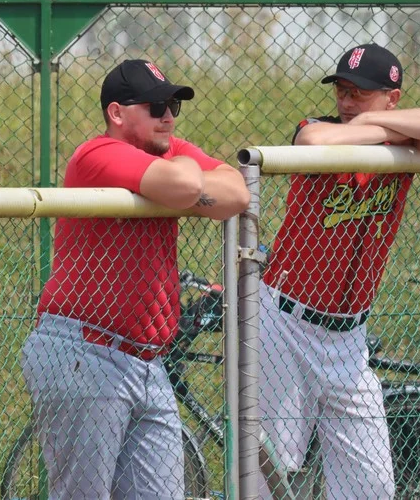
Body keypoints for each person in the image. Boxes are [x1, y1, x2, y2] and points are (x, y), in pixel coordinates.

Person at [21, 59, 250, 499]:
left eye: (173, 106)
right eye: (156, 105)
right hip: (85, 351)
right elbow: (188, 186)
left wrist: (183, 181)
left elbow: (236, 192)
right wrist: (186, 180)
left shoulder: (165, 149)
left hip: (147, 360)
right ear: (117, 113)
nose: (168, 116)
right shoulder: (96, 155)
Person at [258, 43, 420, 499]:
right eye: (343, 91)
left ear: (393, 97)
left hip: (350, 340)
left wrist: (378, 125)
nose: (347, 102)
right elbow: (311, 141)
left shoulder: (396, 138)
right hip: (285, 323)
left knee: (371, 484)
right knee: (269, 478)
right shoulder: (322, 129)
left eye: (361, 93)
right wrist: (379, 127)